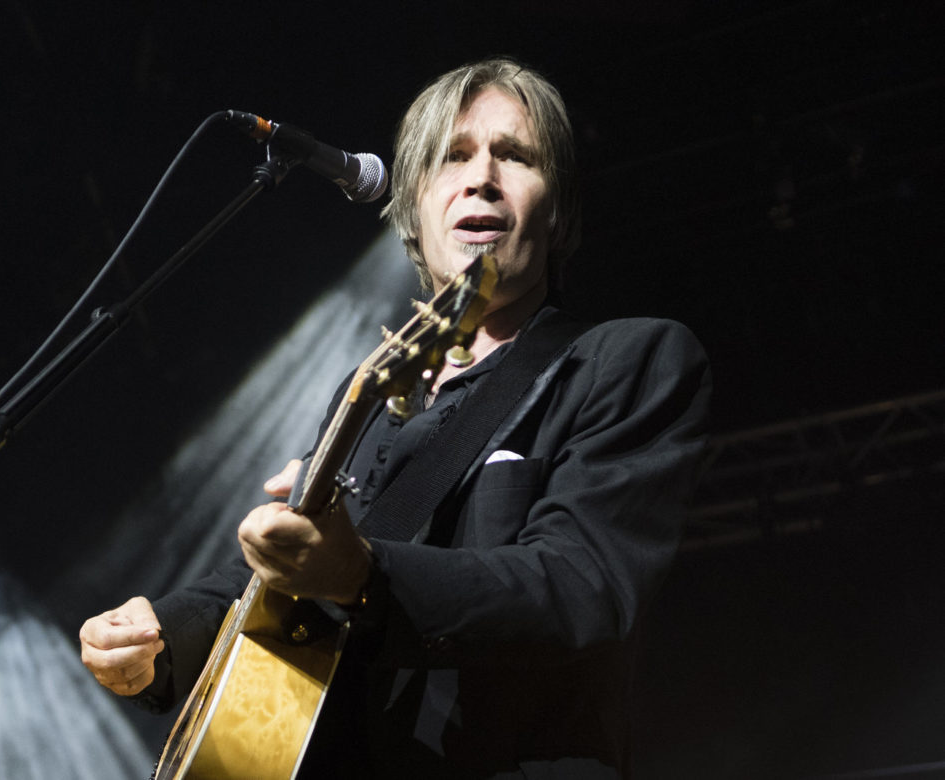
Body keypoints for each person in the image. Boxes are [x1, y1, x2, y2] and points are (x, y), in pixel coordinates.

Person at [79, 58, 711, 778]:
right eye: (453, 157)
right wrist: (158, 634)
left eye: (516, 157)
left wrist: (362, 573)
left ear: (557, 206)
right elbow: (278, 574)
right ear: (413, 207)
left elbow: (580, 588)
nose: (481, 177)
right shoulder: (368, 393)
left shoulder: (625, 359)